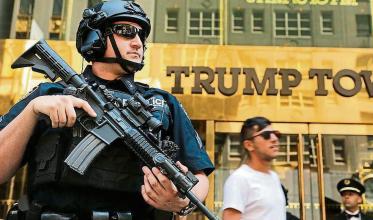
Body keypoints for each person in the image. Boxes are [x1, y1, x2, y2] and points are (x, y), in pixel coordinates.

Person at [0, 1, 214, 219]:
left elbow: (199, 176)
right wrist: (32, 110)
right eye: (126, 32)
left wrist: (181, 202)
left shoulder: (162, 103)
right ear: (97, 37)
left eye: (141, 36)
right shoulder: (51, 94)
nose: (138, 43)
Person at [222, 116, 286, 220]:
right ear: (249, 145)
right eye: (266, 135)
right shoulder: (239, 179)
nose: (274, 139)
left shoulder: (274, 177)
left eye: (276, 134)